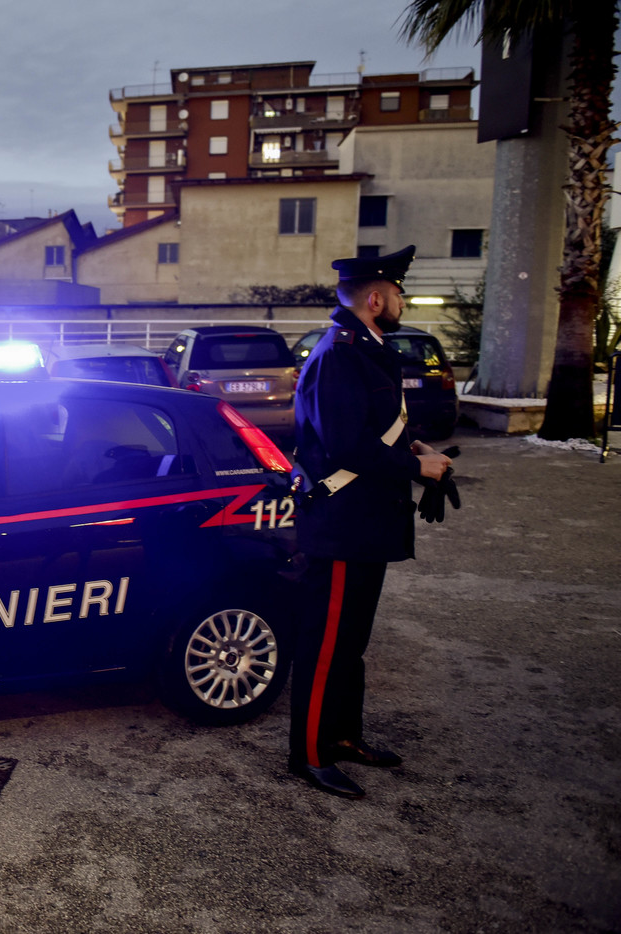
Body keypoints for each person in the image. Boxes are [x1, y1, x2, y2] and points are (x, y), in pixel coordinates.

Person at [288, 244, 454, 799]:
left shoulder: (368, 348)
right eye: (400, 293)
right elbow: (344, 446)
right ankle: (308, 753)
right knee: (324, 642)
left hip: (367, 523)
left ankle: (342, 737)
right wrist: (415, 466)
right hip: (340, 523)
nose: (404, 301)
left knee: (350, 643)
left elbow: (377, 426)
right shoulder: (338, 354)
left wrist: (420, 450)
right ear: (377, 298)